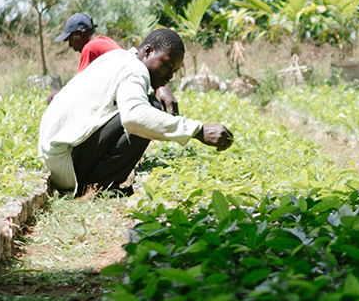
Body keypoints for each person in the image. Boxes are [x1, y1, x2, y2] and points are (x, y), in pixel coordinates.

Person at [38, 27, 233, 196]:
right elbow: (134, 117)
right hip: (65, 163)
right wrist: (198, 130)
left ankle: (96, 181)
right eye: (166, 65)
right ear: (148, 52)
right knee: (148, 109)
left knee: (146, 106)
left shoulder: (119, 58)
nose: (169, 76)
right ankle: (96, 186)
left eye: (174, 71)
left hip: (56, 158)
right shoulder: (135, 69)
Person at [47, 13, 179, 113]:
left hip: (118, 102)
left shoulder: (90, 47)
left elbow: (78, 90)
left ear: (81, 34)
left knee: (54, 97)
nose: (70, 45)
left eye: (70, 39)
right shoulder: (105, 41)